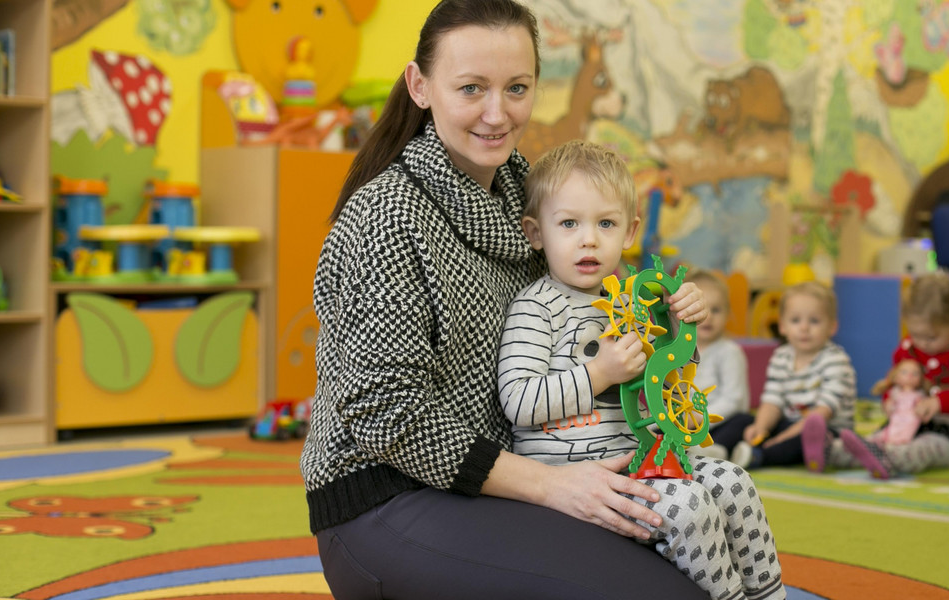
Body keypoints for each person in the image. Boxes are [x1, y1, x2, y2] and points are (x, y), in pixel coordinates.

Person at [300, 3, 713, 598]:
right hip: (386, 504)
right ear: (420, 86)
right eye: (471, 88)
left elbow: (591, 321)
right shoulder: (388, 217)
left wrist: (666, 320)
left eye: (516, 88)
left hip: (505, 481)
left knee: (696, 550)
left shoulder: (537, 200)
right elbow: (384, 416)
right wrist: (554, 486)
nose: (497, 114)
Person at [498, 140, 784, 600]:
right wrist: (598, 374)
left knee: (735, 481)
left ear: (629, 232)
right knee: (691, 508)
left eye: (605, 223)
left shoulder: (638, 297)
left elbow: (667, 381)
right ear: (536, 233)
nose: (588, 238)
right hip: (581, 482)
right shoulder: (536, 308)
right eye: (568, 223)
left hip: (646, 463)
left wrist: (680, 326)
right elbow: (518, 402)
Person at [834, 272, 949, 478]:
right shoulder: (907, 349)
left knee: (924, 448)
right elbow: (894, 383)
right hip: (910, 425)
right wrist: (889, 402)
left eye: (931, 337)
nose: (922, 343)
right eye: (915, 334)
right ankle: (833, 451)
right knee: (875, 439)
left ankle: (890, 458)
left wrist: (940, 402)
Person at [718, 281, 857, 473]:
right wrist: (760, 427)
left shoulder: (836, 360)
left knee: (808, 438)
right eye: (795, 320)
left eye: (814, 321)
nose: (804, 328)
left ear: (832, 327)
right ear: (782, 326)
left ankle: (759, 457)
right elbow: (772, 400)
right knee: (743, 419)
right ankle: (719, 449)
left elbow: (822, 413)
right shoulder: (781, 356)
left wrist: (780, 439)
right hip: (788, 423)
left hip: (825, 430)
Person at [683, 269, 751, 460]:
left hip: (722, 418)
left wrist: (701, 418)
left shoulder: (729, 351)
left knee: (743, 422)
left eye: (716, 310)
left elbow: (734, 399)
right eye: (702, 309)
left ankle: (718, 449)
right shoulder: (680, 352)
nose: (709, 317)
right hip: (691, 420)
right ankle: (699, 448)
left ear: (728, 313)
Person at [869, 359, 926, 448]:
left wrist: (921, 411)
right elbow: (888, 408)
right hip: (896, 419)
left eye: (915, 373)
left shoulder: (918, 395)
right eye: (904, 372)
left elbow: (922, 411)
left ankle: (892, 449)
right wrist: (889, 406)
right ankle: (869, 443)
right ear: (896, 377)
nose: (910, 375)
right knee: (887, 433)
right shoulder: (895, 393)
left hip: (910, 421)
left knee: (903, 438)